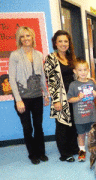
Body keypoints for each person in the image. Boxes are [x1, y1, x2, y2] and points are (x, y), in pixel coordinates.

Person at [9, 26, 49, 164]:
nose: (26, 39)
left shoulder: (38, 54)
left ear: (33, 37)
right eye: (22, 36)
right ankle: (32, 154)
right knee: (28, 127)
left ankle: (41, 152)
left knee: (38, 126)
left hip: (37, 96)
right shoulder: (15, 55)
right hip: (23, 98)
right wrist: (18, 100)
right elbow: (12, 79)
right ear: (19, 39)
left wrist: (46, 94)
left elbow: (42, 76)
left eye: (28, 36)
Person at [44, 30, 79, 162]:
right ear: (55, 43)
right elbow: (51, 81)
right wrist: (56, 100)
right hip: (61, 98)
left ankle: (73, 148)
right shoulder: (51, 59)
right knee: (62, 125)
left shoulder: (71, 58)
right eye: (60, 41)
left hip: (73, 96)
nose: (63, 44)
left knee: (73, 123)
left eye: (66, 41)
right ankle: (65, 153)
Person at [67, 59, 96, 161]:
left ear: (88, 70)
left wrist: (95, 94)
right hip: (80, 116)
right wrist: (78, 98)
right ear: (75, 71)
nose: (83, 72)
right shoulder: (73, 84)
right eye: (80, 70)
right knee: (81, 135)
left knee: (91, 134)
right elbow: (69, 99)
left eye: (85, 70)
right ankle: (82, 151)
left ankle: (93, 150)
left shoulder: (91, 82)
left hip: (91, 115)